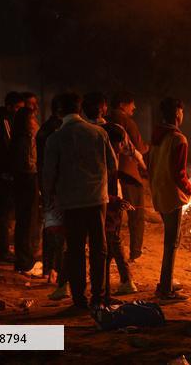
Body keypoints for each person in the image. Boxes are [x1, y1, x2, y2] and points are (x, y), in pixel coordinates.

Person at [41, 92, 117, 310]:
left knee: (75, 250)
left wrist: (49, 201)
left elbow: (48, 175)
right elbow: (112, 166)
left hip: (71, 202)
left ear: (59, 112)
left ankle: (79, 299)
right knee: (98, 249)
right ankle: (98, 298)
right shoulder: (98, 133)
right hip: (96, 200)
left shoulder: (55, 138)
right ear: (80, 109)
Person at [82, 91, 137, 295]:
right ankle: (117, 281)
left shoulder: (92, 133)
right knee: (109, 239)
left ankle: (121, 281)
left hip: (102, 198)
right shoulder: (109, 135)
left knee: (108, 239)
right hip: (105, 196)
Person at [148, 97, 191, 301]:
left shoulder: (156, 136)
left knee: (170, 240)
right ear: (177, 113)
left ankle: (168, 280)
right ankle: (165, 288)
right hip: (172, 195)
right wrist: (188, 188)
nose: (183, 115)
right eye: (182, 111)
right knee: (172, 242)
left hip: (159, 192)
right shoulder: (178, 139)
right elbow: (179, 173)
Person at [106, 92, 148, 262]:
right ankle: (135, 252)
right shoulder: (126, 121)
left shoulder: (106, 119)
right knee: (136, 213)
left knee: (113, 214)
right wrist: (148, 147)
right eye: (132, 104)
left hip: (110, 172)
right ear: (123, 104)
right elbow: (138, 147)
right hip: (128, 172)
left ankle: (111, 251)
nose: (134, 108)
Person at [0, 91, 23, 262]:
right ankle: (1, 251)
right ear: (10, 106)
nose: (20, 112)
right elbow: (6, 146)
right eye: (18, 108)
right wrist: (8, 171)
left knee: (4, 212)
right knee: (3, 212)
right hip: (3, 174)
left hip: (1, 172)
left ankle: (0, 250)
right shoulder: (4, 120)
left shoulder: (3, 119)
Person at [37, 97, 65, 293]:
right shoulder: (58, 131)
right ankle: (56, 270)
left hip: (46, 184)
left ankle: (47, 269)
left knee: (50, 228)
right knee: (59, 231)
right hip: (58, 186)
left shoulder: (44, 129)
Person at [12, 92, 41, 275]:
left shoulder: (21, 138)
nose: (35, 122)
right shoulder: (25, 140)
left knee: (26, 220)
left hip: (25, 178)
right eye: (32, 119)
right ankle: (25, 262)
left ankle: (25, 260)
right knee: (27, 220)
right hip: (27, 178)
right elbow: (28, 162)